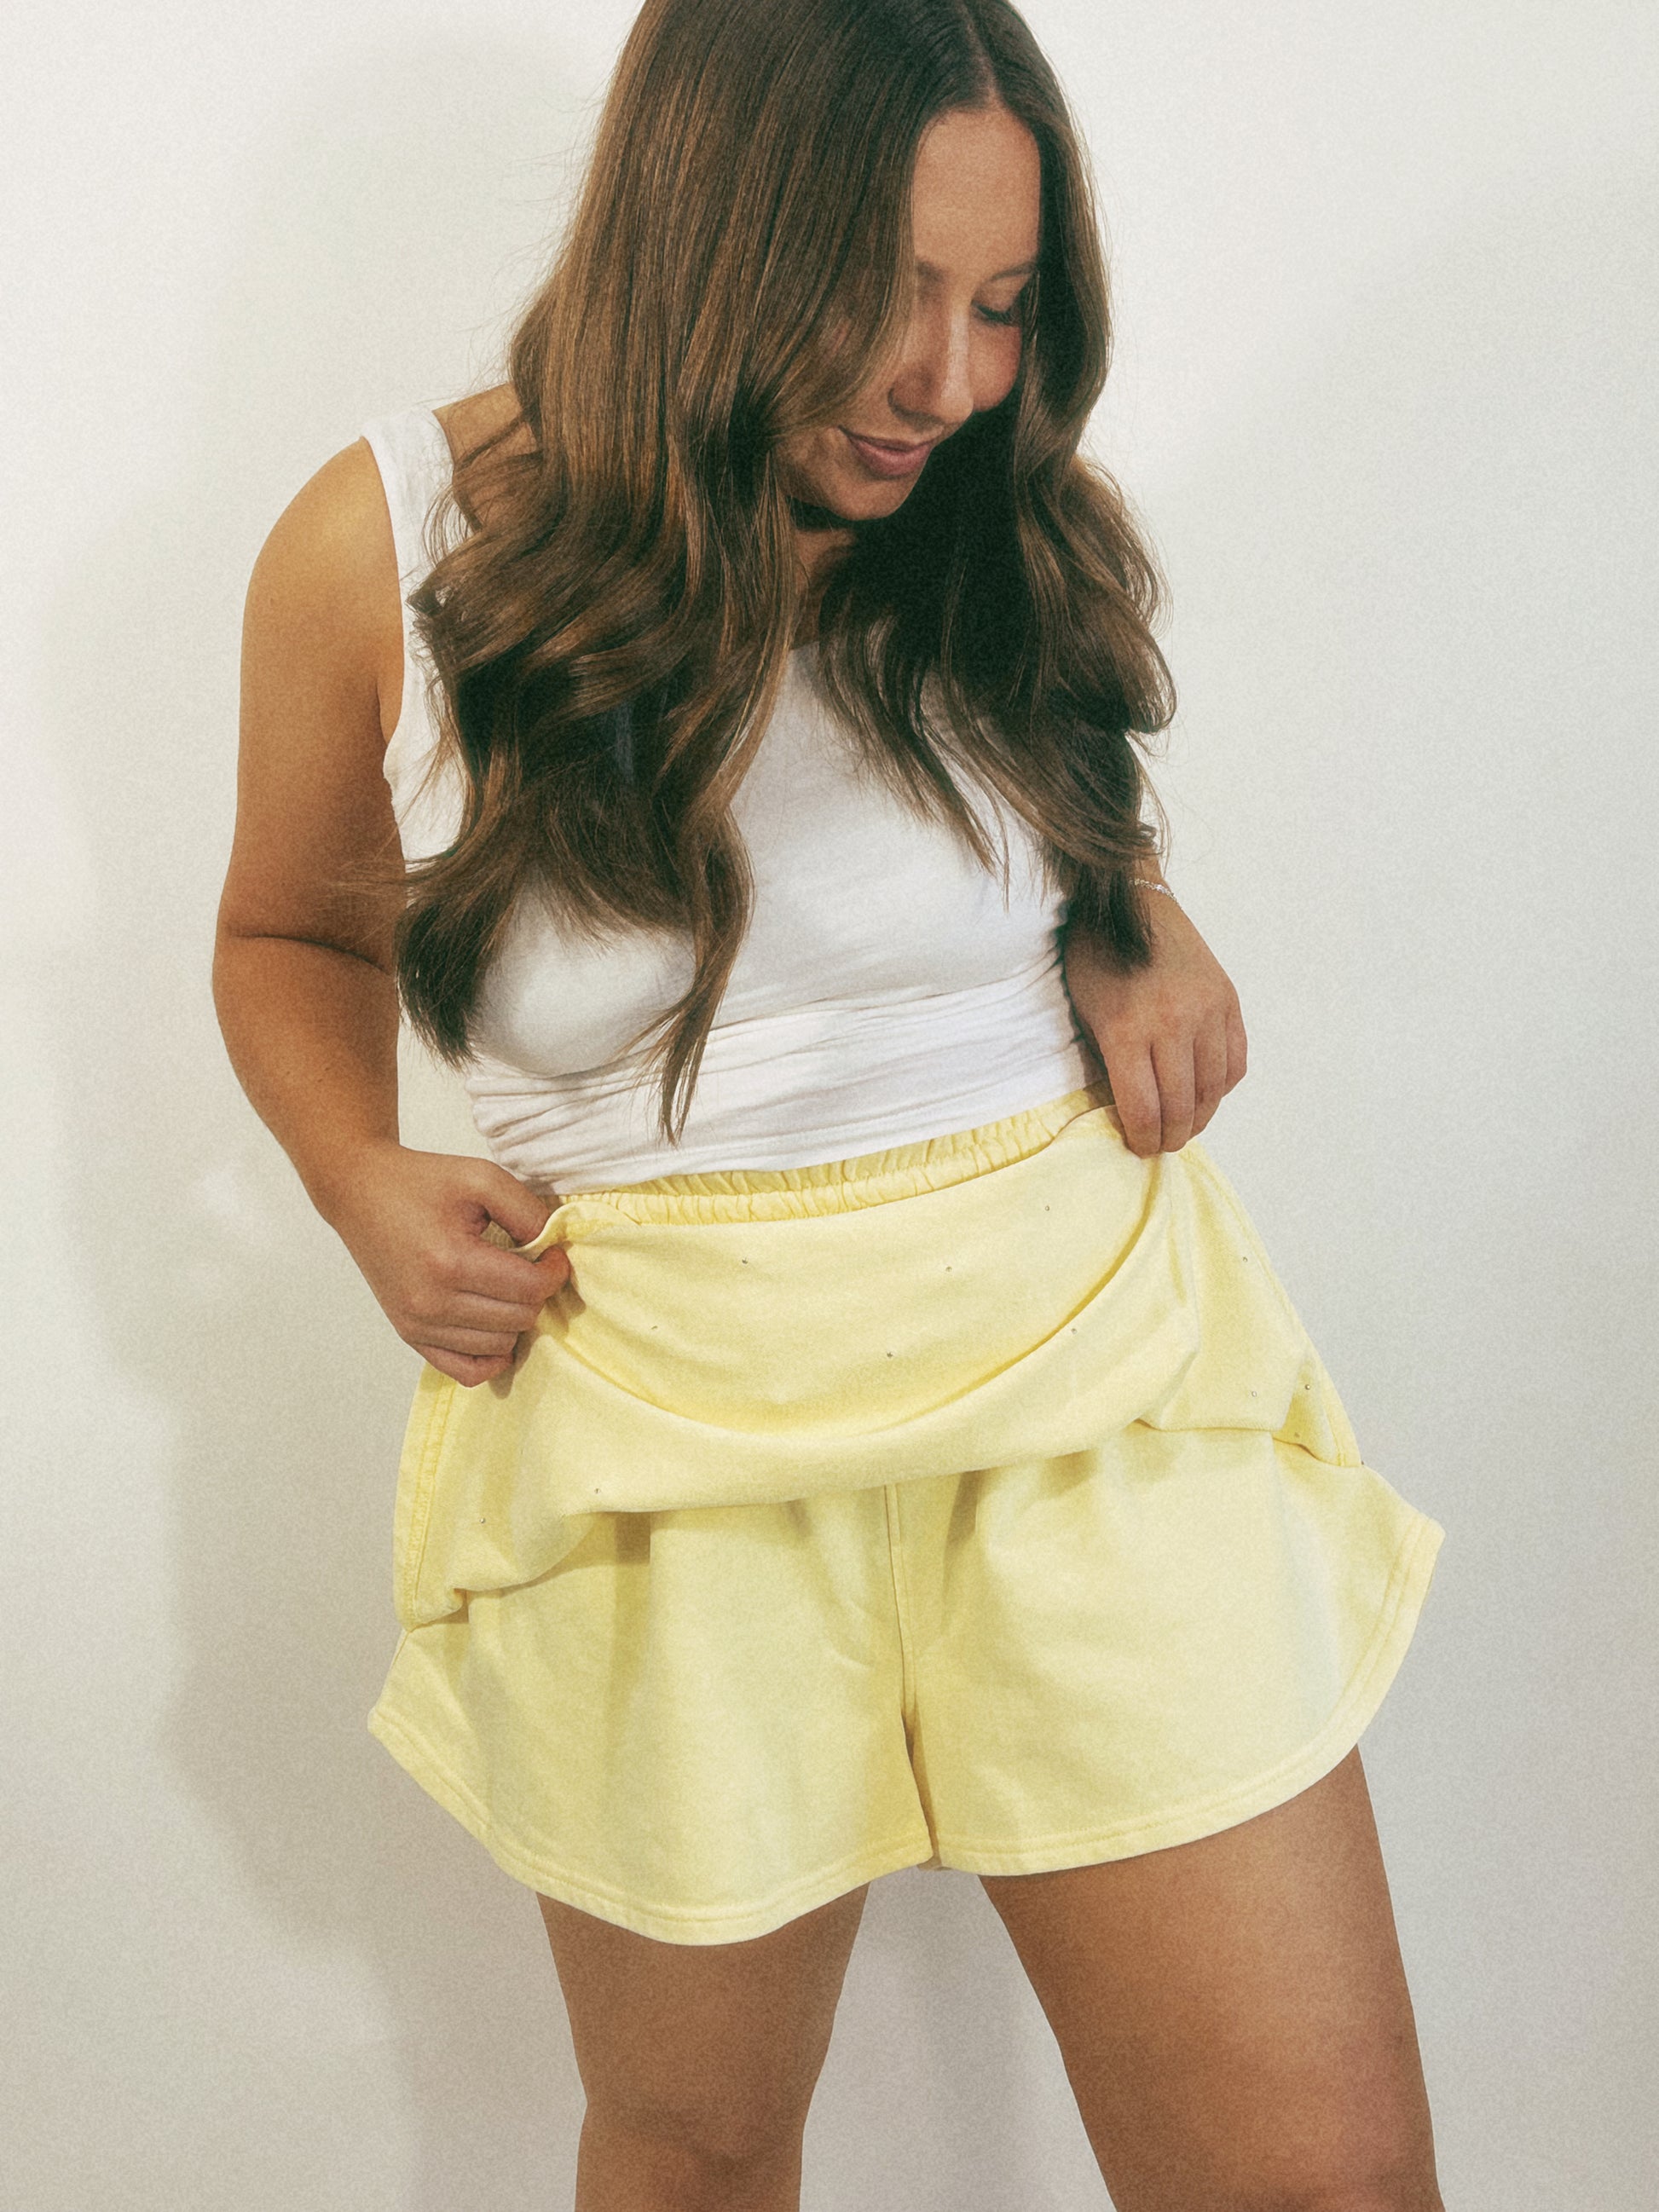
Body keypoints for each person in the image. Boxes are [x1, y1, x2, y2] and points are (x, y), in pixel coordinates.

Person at [214, 2, 1448, 2205]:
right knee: (697, 2157)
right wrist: (354, 1175)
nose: (948, 380)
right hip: (660, 1435)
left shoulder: (987, 509)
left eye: (1003, 304)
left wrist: (1129, 904)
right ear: (707, 233)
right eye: (889, 294)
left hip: (1088, 1383)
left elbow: (1009, 820)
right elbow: (288, 931)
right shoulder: (387, 544)